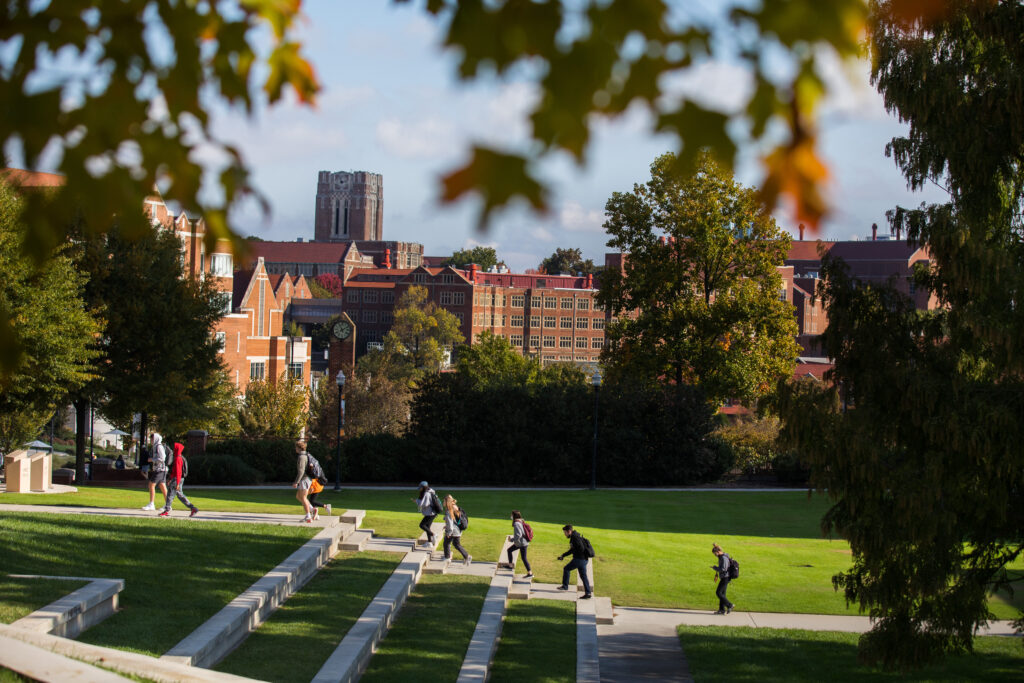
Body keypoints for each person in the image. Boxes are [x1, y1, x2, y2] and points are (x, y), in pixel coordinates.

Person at [159, 442, 198, 518]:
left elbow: (178, 472)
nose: (174, 450)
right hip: (178, 479)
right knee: (180, 495)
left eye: (175, 448)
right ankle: (193, 508)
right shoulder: (180, 457)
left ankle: (167, 510)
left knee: (170, 494)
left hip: (177, 479)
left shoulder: (178, 459)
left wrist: (176, 483)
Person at [556, 524, 591, 599]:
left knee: (566, 569)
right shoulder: (575, 536)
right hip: (584, 559)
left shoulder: (575, 538)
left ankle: (565, 586)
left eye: (565, 532)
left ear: (569, 531)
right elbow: (572, 549)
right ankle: (588, 593)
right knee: (583, 576)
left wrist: (575, 552)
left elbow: (580, 548)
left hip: (579, 559)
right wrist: (563, 555)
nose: (564, 534)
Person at [141, 433, 168, 511]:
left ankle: (151, 504)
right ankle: (168, 504)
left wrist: (152, 459)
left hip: (160, 469)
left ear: (156, 439)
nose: (151, 440)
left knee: (151, 485)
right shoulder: (156, 446)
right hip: (161, 470)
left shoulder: (158, 446)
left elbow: (162, 458)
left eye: (152, 439)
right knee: (162, 487)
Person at [442, 494, 471, 565]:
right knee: (456, 544)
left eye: (444, 501)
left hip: (453, 531)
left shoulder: (449, 510)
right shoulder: (454, 507)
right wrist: (447, 527)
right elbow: (454, 520)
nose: (443, 502)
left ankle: (447, 558)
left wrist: (449, 532)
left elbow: (450, 523)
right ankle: (467, 556)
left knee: (446, 543)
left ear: (446, 502)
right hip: (457, 530)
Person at [502, 510, 532, 577]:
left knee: (524, 558)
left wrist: (512, 539)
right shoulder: (520, 521)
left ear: (514, 516)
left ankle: (530, 572)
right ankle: (510, 565)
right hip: (522, 542)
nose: (511, 516)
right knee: (509, 550)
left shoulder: (516, 523)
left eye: (511, 515)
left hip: (522, 543)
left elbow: (519, 535)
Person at [291, 439, 315, 523]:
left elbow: (301, 471)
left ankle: (308, 516)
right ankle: (312, 509)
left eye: (296, 447)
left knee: (303, 497)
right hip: (307, 479)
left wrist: (296, 482)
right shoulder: (306, 455)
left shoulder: (301, 457)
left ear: (299, 448)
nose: (295, 449)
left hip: (304, 479)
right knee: (298, 496)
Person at [412, 481, 439, 546]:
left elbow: (425, 504)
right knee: (427, 527)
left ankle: (433, 535)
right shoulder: (430, 492)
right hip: (432, 512)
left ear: (423, 487)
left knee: (422, 525)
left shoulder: (427, 494)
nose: (420, 489)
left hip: (430, 513)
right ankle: (429, 542)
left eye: (420, 488)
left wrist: (416, 501)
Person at [711, 543, 735, 614]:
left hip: (725, 578)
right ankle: (721, 610)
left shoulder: (723, 558)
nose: (715, 555)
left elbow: (723, 569)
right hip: (724, 577)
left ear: (718, 552)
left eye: (715, 554)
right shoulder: (722, 556)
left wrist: (715, 568)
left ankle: (730, 605)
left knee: (718, 593)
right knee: (722, 594)